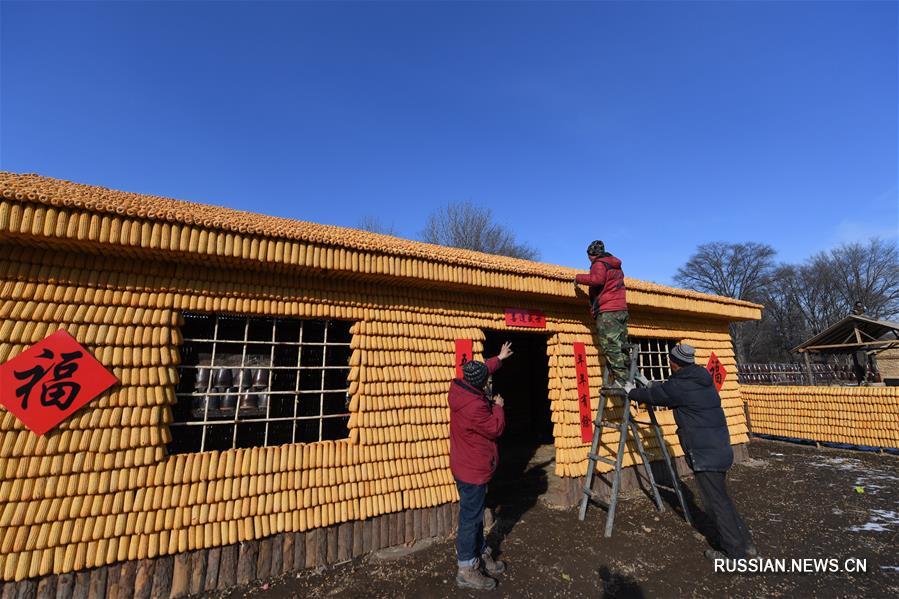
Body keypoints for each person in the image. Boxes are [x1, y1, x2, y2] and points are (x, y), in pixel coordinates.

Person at [627, 344, 757, 561]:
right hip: (719, 449)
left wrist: (630, 391)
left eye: (670, 361)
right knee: (722, 500)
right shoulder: (699, 379)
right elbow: (667, 391)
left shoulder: (681, 385)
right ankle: (747, 546)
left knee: (716, 505)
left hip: (705, 454)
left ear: (676, 363)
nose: (669, 363)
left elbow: (659, 396)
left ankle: (735, 554)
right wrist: (648, 382)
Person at [449, 341, 514, 590]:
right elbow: (495, 428)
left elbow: (480, 369)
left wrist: (499, 357)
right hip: (472, 469)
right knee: (470, 519)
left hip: (466, 463)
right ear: (480, 384)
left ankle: (479, 553)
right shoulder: (475, 406)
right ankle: (467, 567)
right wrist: (498, 408)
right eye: (486, 380)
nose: (488, 382)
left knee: (474, 516)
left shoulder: (461, 387)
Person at [575, 240, 629, 384]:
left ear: (592, 254)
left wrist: (578, 278)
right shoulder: (615, 265)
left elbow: (597, 280)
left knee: (610, 346)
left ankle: (623, 381)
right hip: (621, 309)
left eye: (589, 257)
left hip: (608, 311)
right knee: (621, 345)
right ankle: (631, 373)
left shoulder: (599, 263)